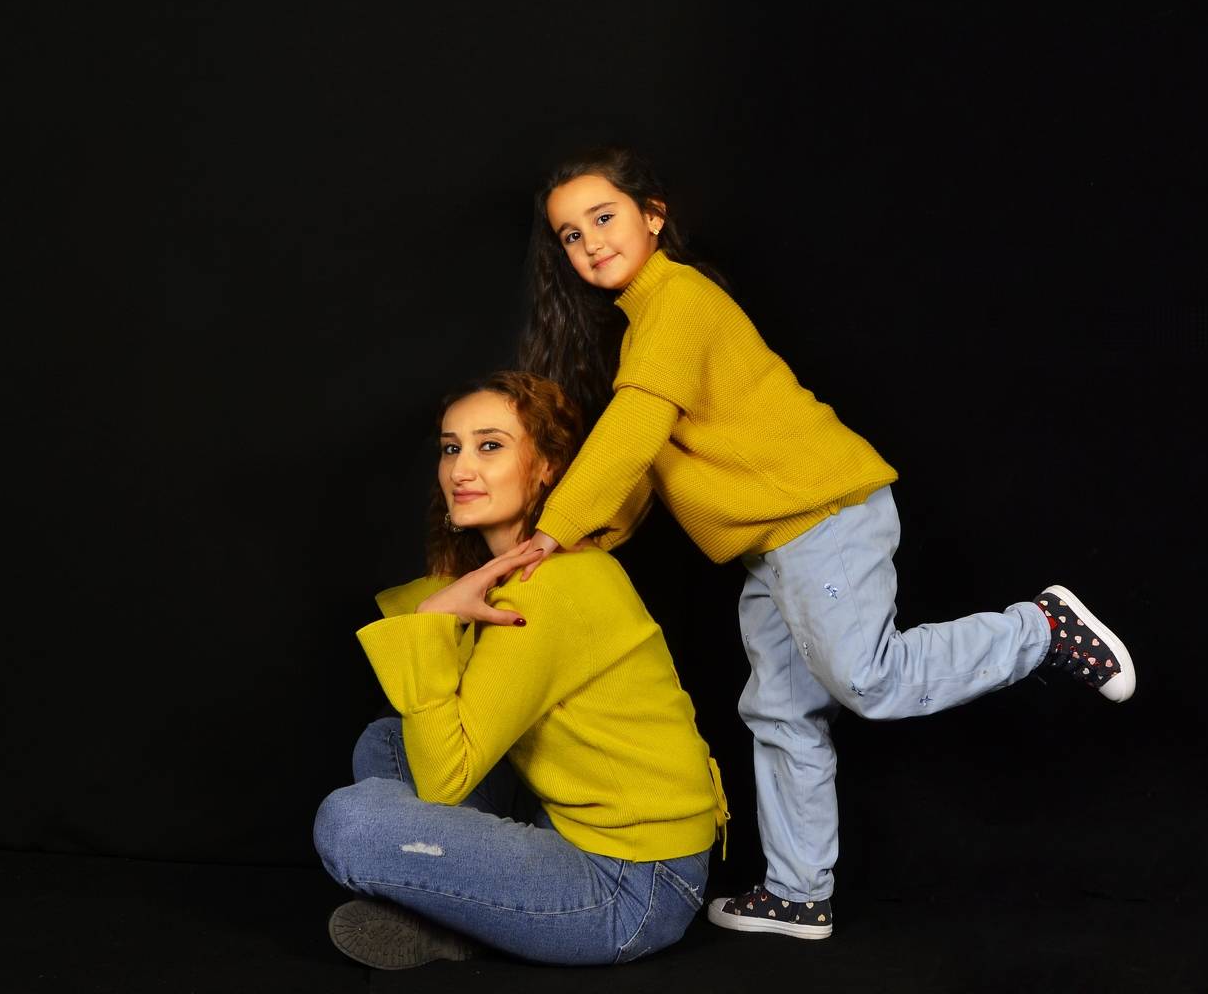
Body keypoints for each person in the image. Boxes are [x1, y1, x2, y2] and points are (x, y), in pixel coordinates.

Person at [515, 145, 1136, 940]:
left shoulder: (678, 300)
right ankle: (797, 893)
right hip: (774, 546)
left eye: (603, 217)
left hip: (824, 520)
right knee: (780, 712)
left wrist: (552, 531)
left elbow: (633, 431)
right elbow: (648, 466)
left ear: (654, 216)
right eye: (571, 234)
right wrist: (580, 542)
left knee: (868, 680)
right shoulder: (646, 325)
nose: (591, 242)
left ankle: (1042, 630)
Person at [312, 370, 728, 969]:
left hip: (633, 886)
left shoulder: (548, 588)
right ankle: (474, 912)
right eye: (450, 448)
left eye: (490, 445)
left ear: (548, 467)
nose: (460, 469)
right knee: (387, 739)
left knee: (349, 824)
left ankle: (459, 909)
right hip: (564, 829)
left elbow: (444, 782)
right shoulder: (522, 570)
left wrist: (432, 621)